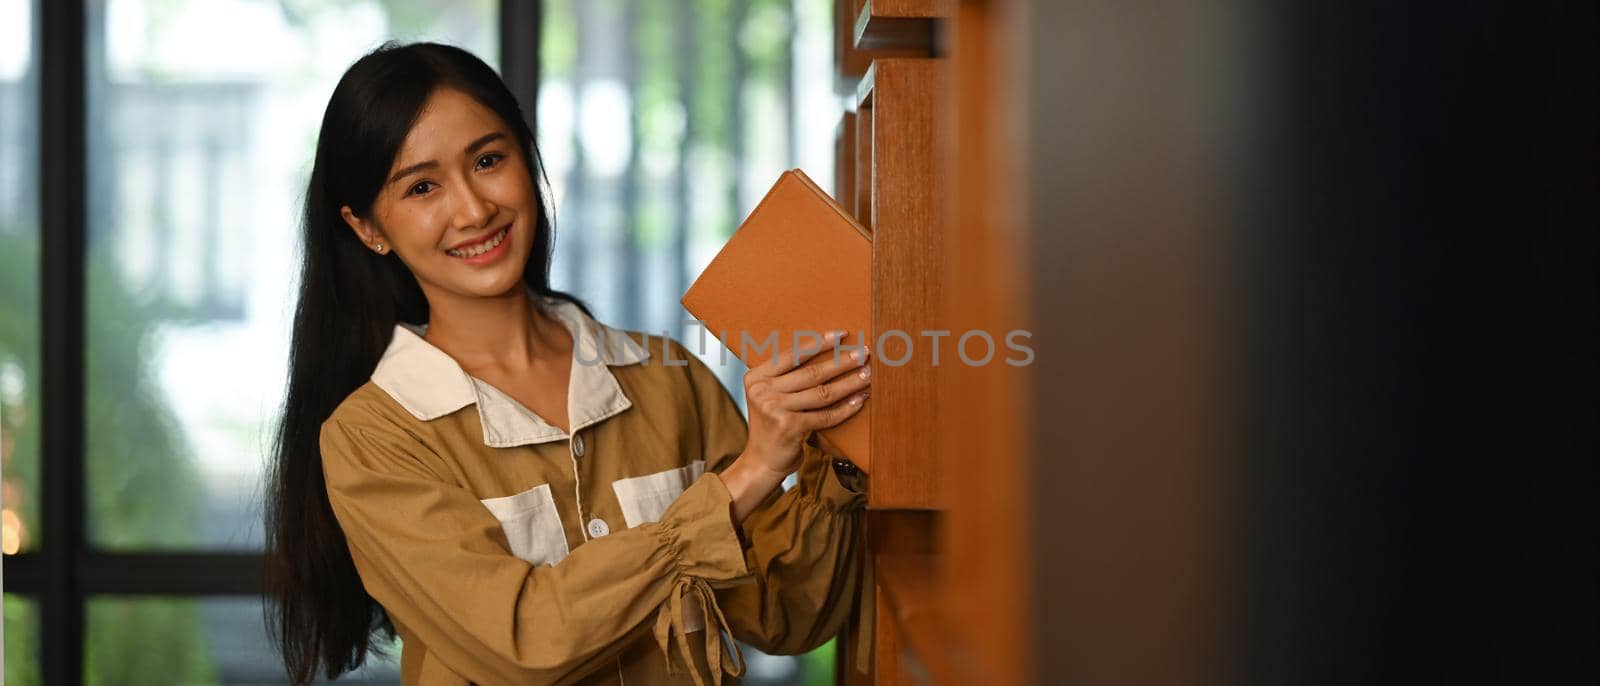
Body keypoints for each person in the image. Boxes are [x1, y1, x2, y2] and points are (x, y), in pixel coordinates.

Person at [264, 42, 872, 686]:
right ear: (367, 229)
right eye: (422, 187)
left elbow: (786, 618)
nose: (473, 210)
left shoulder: (669, 378)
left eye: (489, 160)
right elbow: (523, 642)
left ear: (527, 160)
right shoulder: (374, 439)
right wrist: (747, 477)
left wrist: (834, 444)